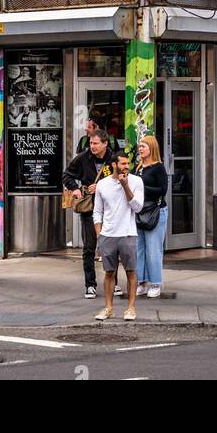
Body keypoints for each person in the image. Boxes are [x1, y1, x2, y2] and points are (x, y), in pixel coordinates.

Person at [64, 130, 121, 298]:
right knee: (89, 247)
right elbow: (66, 175)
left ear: (105, 144)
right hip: (89, 208)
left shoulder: (113, 158)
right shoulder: (83, 158)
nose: (92, 146)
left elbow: (122, 177)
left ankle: (114, 283)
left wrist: (102, 185)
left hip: (111, 208)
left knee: (111, 247)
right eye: (90, 143)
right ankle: (90, 284)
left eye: (96, 143)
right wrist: (75, 188)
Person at [93, 151, 144, 322]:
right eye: (122, 164)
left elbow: (137, 207)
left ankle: (131, 308)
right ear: (114, 165)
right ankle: (108, 308)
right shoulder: (102, 184)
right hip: (108, 235)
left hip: (128, 233)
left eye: (128, 164)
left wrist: (125, 186)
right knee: (109, 272)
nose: (126, 167)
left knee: (131, 271)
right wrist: (99, 235)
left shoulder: (136, 181)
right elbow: (97, 212)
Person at [135, 134, 168, 298]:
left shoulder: (159, 168)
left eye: (143, 146)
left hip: (156, 211)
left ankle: (155, 283)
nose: (140, 148)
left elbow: (163, 191)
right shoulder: (138, 168)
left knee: (153, 249)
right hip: (139, 211)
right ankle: (141, 281)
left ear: (151, 148)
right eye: (140, 146)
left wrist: (141, 187)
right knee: (139, 248)